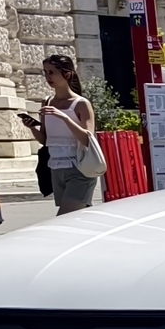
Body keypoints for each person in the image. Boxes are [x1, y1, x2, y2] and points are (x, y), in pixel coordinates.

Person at [22, 53, 105, 212]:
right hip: (56, 168)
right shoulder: (47, 102)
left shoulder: (81, 104)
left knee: (65, 218)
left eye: (51, 72)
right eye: (45, 72)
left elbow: (87, 139)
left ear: (66, 74)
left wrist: (64, 117)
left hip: (80, 169)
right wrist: (32, 127)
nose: (47, 76)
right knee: (77, 217)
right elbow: (45, 141)